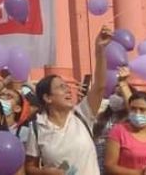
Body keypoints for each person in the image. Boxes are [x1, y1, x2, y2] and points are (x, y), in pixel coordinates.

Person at [25, 26, 111, 175]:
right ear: (47, 98)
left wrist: (100, 51)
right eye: (61, 87)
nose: (68, 90)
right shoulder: (37, 127)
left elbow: (100, 86)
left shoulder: (82, 114)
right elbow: (29, 167)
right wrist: (45, 172)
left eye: (67, 87)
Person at [94, 66, 133, 174]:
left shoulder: (130, 119)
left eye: (120, 95)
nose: (115, 97)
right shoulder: (103, 117)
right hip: (98, 165)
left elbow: (132, 105)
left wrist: (123, 83)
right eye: (114, 94)